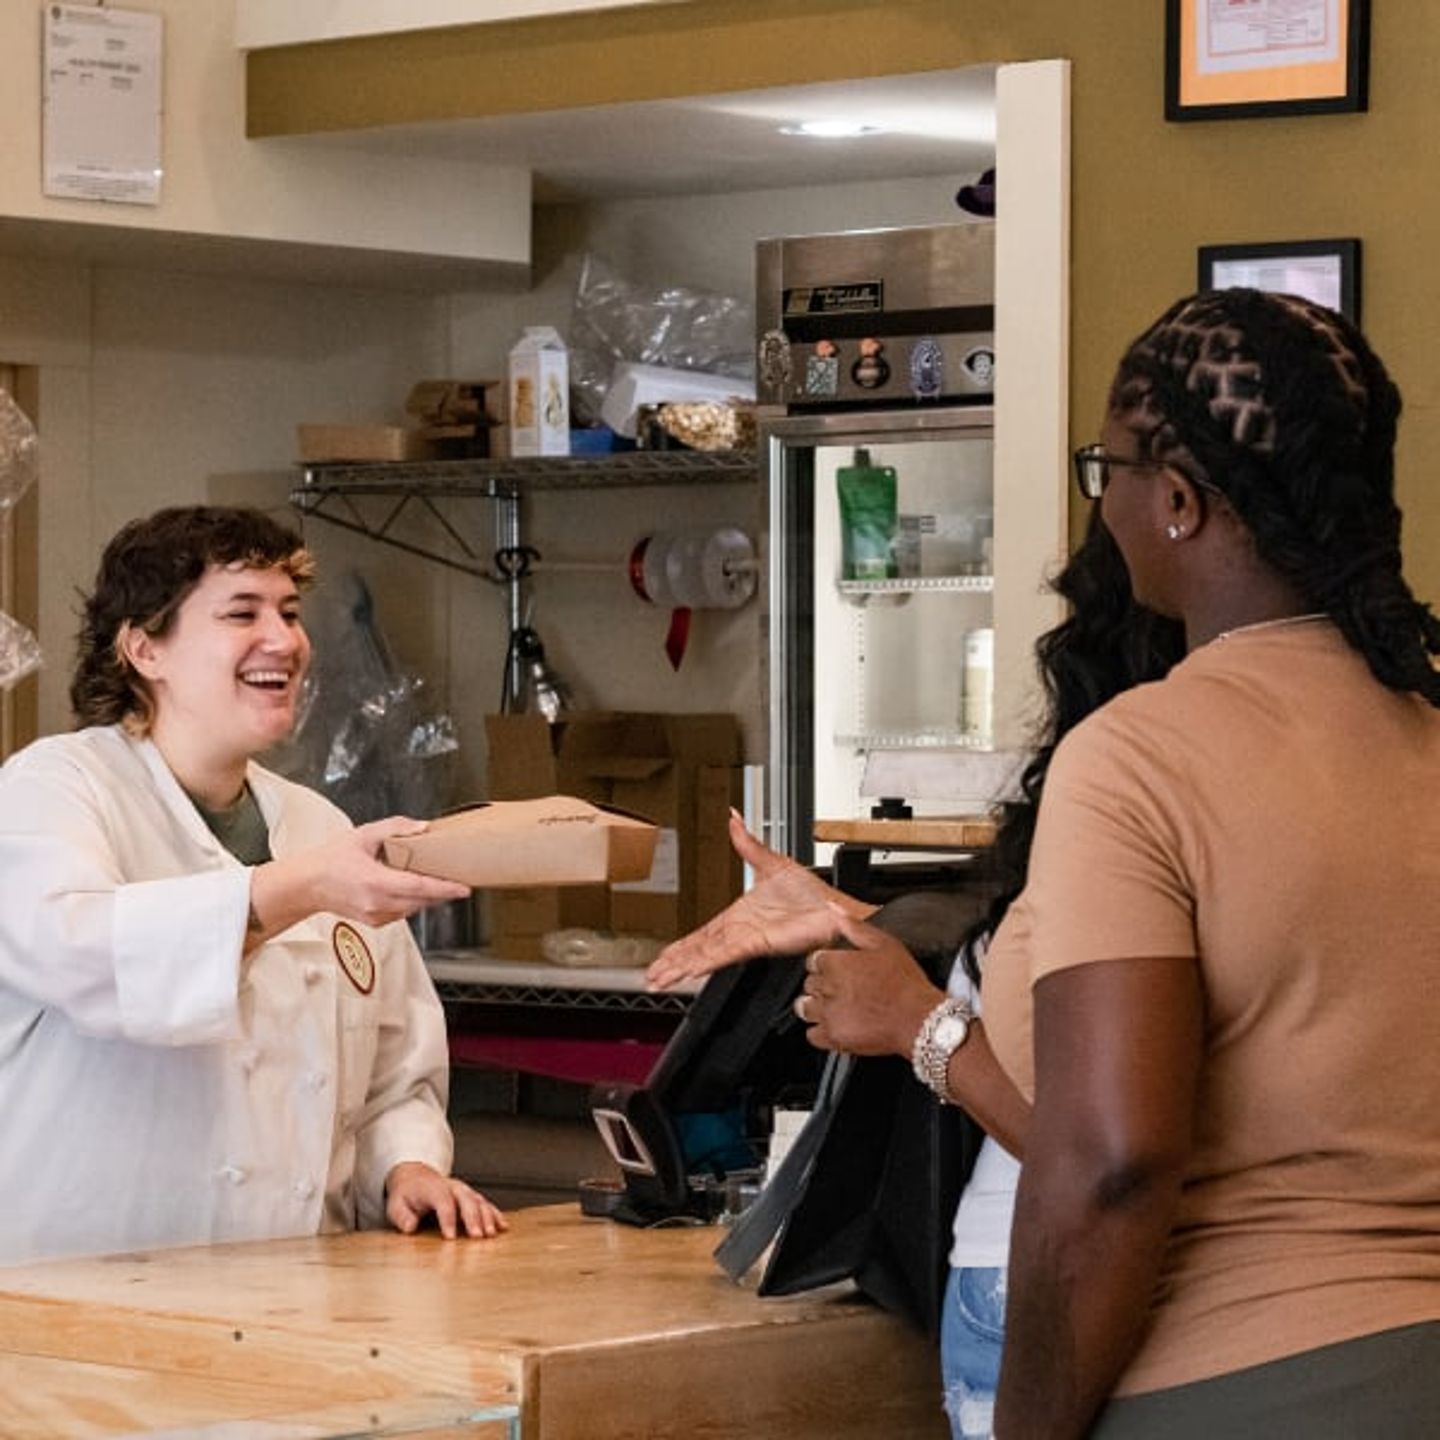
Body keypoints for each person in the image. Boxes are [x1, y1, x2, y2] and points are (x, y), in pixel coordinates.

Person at [989, 289, 1440, 1437]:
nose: (1104, 504)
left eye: (1109, 470)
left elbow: (1113, 1165)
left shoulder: (1140, 760)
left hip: (1249, 1377)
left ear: (1179, 501)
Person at [648, 516, 1185, 1439]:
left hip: (1043, 1279)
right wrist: (846, 918)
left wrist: (924, 1030)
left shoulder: (1129, 797)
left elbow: (1098, 1157)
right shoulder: (1203, 810)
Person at [0, 505, 506, 1266]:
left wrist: (406, 1168)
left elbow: (394, 1072)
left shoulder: (318, 826)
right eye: (243, 613)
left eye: (290, 613)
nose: (286, 640)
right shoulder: (54, 790)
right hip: (89, 1289)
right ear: (144, 648)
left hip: (293, 1288)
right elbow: (85, 960)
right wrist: (297, 889)